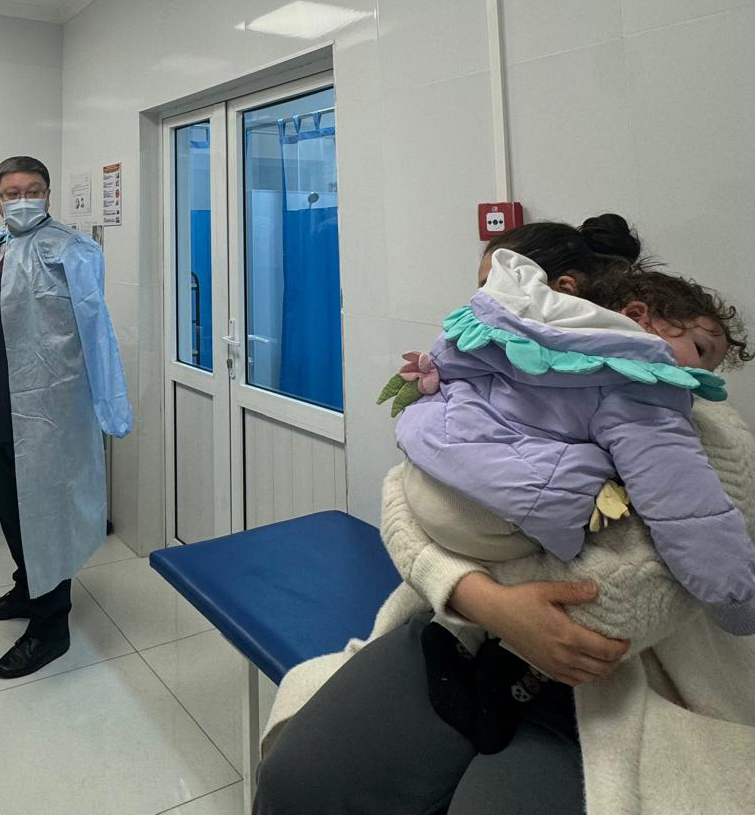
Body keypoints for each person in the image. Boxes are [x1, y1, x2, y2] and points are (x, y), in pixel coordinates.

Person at [253, 217, 755, 815]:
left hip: (599, 677)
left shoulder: (698, 429)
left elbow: (671, 569)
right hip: (463, 624)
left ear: (564, 292)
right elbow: (405, 494)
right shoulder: (502, 361)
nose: (491, 302)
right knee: (296, 781)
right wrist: (481, 600)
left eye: (494, 285)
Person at [385, 249, 755, 644]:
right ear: (637, 316)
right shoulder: (642, 384)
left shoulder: (518, 324)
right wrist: (736, 601)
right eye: (700, 351)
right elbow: (683, 498)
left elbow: (449, 368)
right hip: (491, 519)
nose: (697, 378)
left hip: (425, 476)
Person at [0, 155, 132, 679]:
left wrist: (111, 405)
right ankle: (28, 588)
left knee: (45, 514)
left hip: (45, 414)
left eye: (33, 190)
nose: (22, 199)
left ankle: (51, 625)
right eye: (12, 192)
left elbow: (97, 332)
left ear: (47, 194)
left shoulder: (71, 249)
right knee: (13, 509)